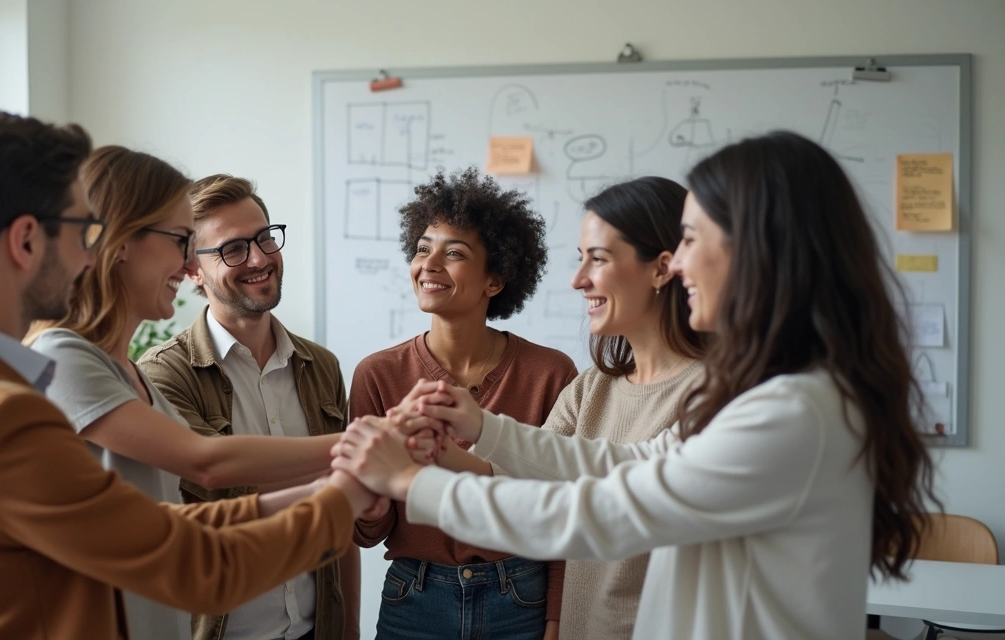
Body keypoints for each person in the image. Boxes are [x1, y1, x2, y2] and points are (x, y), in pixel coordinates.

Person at [332, 131, 940, 640]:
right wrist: (483, 429)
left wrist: (413, 481)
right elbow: (627, 463)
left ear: (759, 247)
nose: (680, 264)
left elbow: (603, 511)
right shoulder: (776, 395)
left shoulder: (791, 411)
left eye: (693, 241)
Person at [0, 111, 376, 640]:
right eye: (82, 231)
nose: (91, 253)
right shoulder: (1, 415)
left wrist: (336, 484)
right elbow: (192, 563)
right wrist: (345, 490)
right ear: (26, 241)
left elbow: (160, 529)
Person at [26, 155, 367, 640]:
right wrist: (364, 455)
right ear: (120, 243)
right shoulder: (67, 359)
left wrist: (339, 490)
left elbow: (190, 525)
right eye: (181, 243)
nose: (185, 265)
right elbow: (208, 463)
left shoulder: (128, 376)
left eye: (265, 237)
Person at [349, 167, 578, 640]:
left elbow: (565, 512)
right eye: (422, 249)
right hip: (414, 598)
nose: (429, 264)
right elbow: (368, 533)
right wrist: (368, 505)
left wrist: (557, 620)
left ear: (495, 280)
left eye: (453, 253)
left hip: (520, 597)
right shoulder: (378, 374)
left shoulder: (550, 373)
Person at [137, 173, 360, 640]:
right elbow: (220, 487)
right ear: (192, 269)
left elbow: (341, 527)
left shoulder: (321, 366)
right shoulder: (163, 374)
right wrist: (361, 456)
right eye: (232, 249)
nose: (259, 258)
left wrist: (348, 629)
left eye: (264, 238)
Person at [534, 177, 706, 640]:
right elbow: (525, 472)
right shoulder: (593, 387)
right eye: (580, 258)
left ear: (661, 269)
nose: (578, 279)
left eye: (599, 258)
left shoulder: (713, 395)